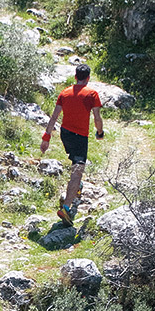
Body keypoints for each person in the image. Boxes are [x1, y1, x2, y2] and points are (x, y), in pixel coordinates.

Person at [40, 64, 103, 224]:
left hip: (65, 134)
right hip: (80, 136)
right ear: (88, 78)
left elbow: (54, 117)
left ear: (75, 76)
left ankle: (78, 186)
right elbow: (97, 118)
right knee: (77, 170)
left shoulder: (65, 93)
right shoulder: (92, 94)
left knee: (75, 161)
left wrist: (46, 138)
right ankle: (66, 208)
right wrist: (100, 133)